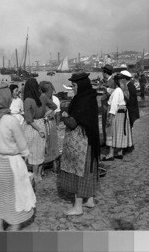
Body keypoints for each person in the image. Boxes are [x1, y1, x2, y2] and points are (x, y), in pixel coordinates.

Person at [0, 85, 35, 231]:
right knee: (14, 198)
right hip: (10, 164)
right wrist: (24, 157)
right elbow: (23, 147)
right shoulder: (10, 120)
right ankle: (13, 231)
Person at [58, 72, 100, 216]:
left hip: (81, 141)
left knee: (79, 171)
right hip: (90, 139)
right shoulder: (90, 97)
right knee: (89, 169)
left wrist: (64, 116)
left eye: (74, 85)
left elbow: (73, 122)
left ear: (81, 85)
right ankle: (90, 200)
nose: (73, 88)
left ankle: (78, 206)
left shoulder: (81, 100)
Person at [22, 78, 47, 182]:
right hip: (41, 122)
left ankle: (32, 176)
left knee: (31, 152)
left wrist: (38, 129)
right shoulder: (43, 97)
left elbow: (29, 119)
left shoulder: (28, 100)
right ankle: (39, 175)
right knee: (40, 151)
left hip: (32, 127)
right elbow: (53, 107)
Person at [104, 74, 133, 160]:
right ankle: (119, 152)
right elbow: (111, 91)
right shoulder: (120, 90)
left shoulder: (117, 91)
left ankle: (111, 154)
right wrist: (106, 89)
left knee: (112, 132)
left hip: (116, 114)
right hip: (122, 115)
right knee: (119, 132)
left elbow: (114, 104)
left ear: (115, 81)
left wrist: (110, 116)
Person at [39, 81, 59, 165]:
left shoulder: (52, 99)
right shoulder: (44, 98)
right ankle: (48, 163)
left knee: (50, 144)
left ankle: (51, 163)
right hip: (48, 123)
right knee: (47, 144)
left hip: (49, 123)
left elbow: (57, 112)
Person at [99, 65, 115, 146]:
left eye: (103, 72)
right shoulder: (108, 81)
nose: (102, 73)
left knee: (106, 123)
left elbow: (110, 93)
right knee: (105, 122)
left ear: (105, 73)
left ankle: (107, 142)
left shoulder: (111, 81)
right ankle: (105, 141)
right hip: (105, 105)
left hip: (107, 106)